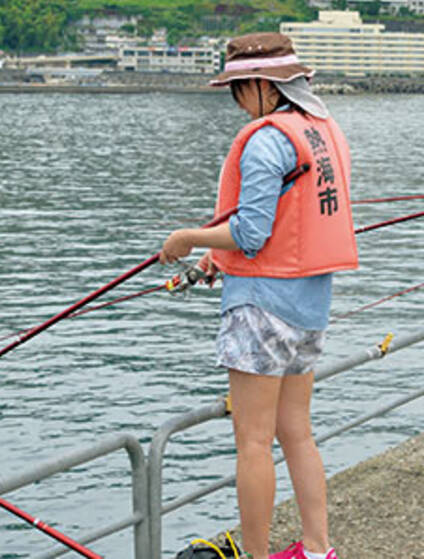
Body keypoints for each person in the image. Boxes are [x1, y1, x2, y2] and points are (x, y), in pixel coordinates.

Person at [160, 33, 356, 559]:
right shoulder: (321, 130)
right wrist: (214, 257)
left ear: (263, 86)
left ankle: (253, 554)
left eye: (239, 90)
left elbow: (250, 233)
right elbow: (289, 222)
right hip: (310, 307)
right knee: (298, 434)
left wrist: (190, 239)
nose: (239, 101)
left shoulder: (266, 139)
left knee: (252, 442)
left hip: (261, 311)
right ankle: (317, 549)